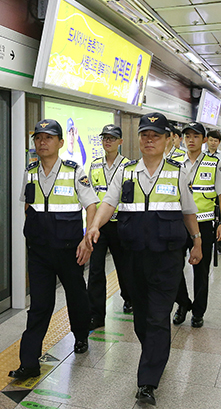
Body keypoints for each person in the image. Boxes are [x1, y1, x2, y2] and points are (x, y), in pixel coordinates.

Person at [83, 112, 202, 406]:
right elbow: (108, 202)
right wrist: (96, 225)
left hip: (167, 258)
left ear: (166, 140)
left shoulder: (177, 173)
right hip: (133, 257)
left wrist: (197, 241)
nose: (149, 140)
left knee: (158, 317)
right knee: (141, 320)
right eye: (145, 135)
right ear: (138, 140)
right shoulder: (127, 172)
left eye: (156, 135)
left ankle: (147, 382)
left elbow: (188, 211)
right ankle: (155, 353)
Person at [8, 119, 99, 381]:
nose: (42, 142)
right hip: (39, 252)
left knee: (76, 297)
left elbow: (91, 205)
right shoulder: (31, 171)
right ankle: (29, 363)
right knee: (39, 306)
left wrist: (87, 240)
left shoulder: (74, 171)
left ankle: (81, 336)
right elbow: (27, 206)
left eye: (48, 138)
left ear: (60, 143)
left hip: (70, 250)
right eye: (38, 138)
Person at [172, 122, 221, 328]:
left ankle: (198, 311)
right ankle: (182, 304)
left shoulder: (213, 163)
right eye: (187, 136)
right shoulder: (173, 161)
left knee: (201, 269)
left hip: (204, 224)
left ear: (204, 140)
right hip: (178, 224)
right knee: (173, 267)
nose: (190, 139)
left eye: (196, 136)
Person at [87, 124, 134, 331]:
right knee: (95, 270)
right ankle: (96, 314)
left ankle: (130, 297)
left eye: (112, 138)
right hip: (99, 226)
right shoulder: (95, 165)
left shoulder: (129, 166)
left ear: (120, 142)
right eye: (105, 138)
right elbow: (89, 195)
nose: (108, 141)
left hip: (120, 224)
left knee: (124, 267)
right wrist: (90, 226)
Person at [205, 130, 221, 253]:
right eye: (211, 140)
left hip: (220, 191)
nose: (213, 143)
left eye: (216, 141)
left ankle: (220, 243)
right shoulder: (201, 155)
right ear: (206, 140)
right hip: (206, 192)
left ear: (219, 142)